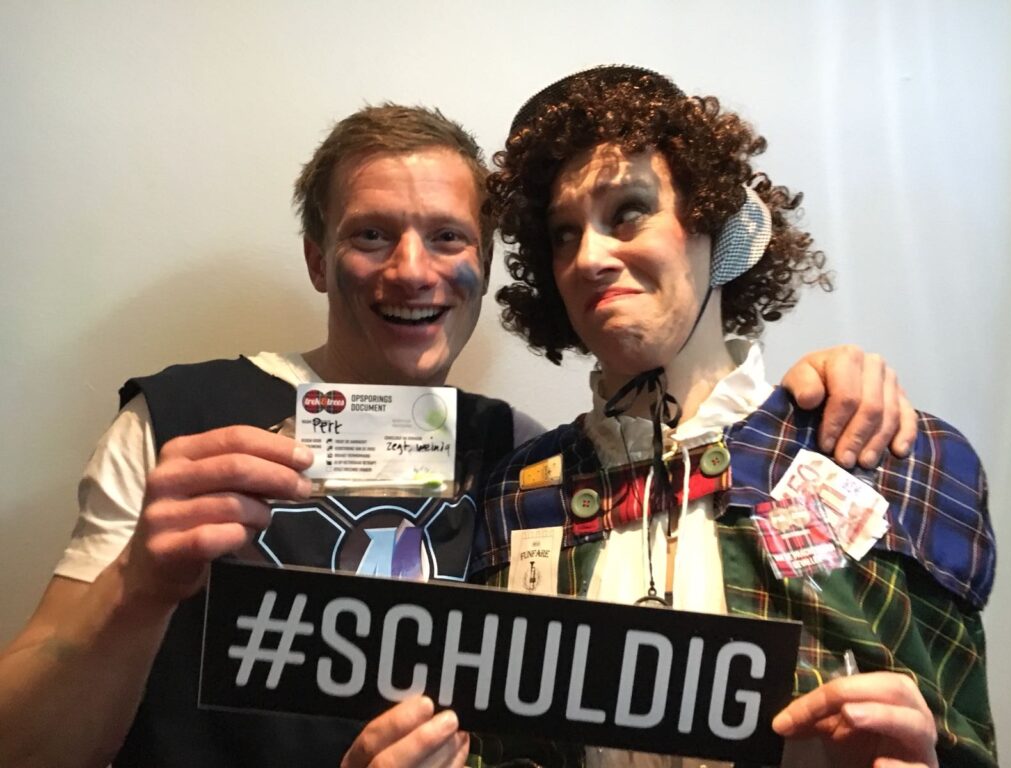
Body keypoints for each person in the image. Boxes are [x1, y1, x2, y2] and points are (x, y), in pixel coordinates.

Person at [0, 103, 916, 768]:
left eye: (447, 237)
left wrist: (809, 398)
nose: (413, 271)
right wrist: (138, 589)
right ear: (317, 257)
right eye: (371, 234)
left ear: (486, 261)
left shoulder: (527, 465)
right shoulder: (182, 421)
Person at [467, 66, 997, 767]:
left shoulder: (890, 458)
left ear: (720, 228)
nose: (589, 257)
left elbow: (965, 738)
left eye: (627, 212)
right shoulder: (516, 497)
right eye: (564, 234)